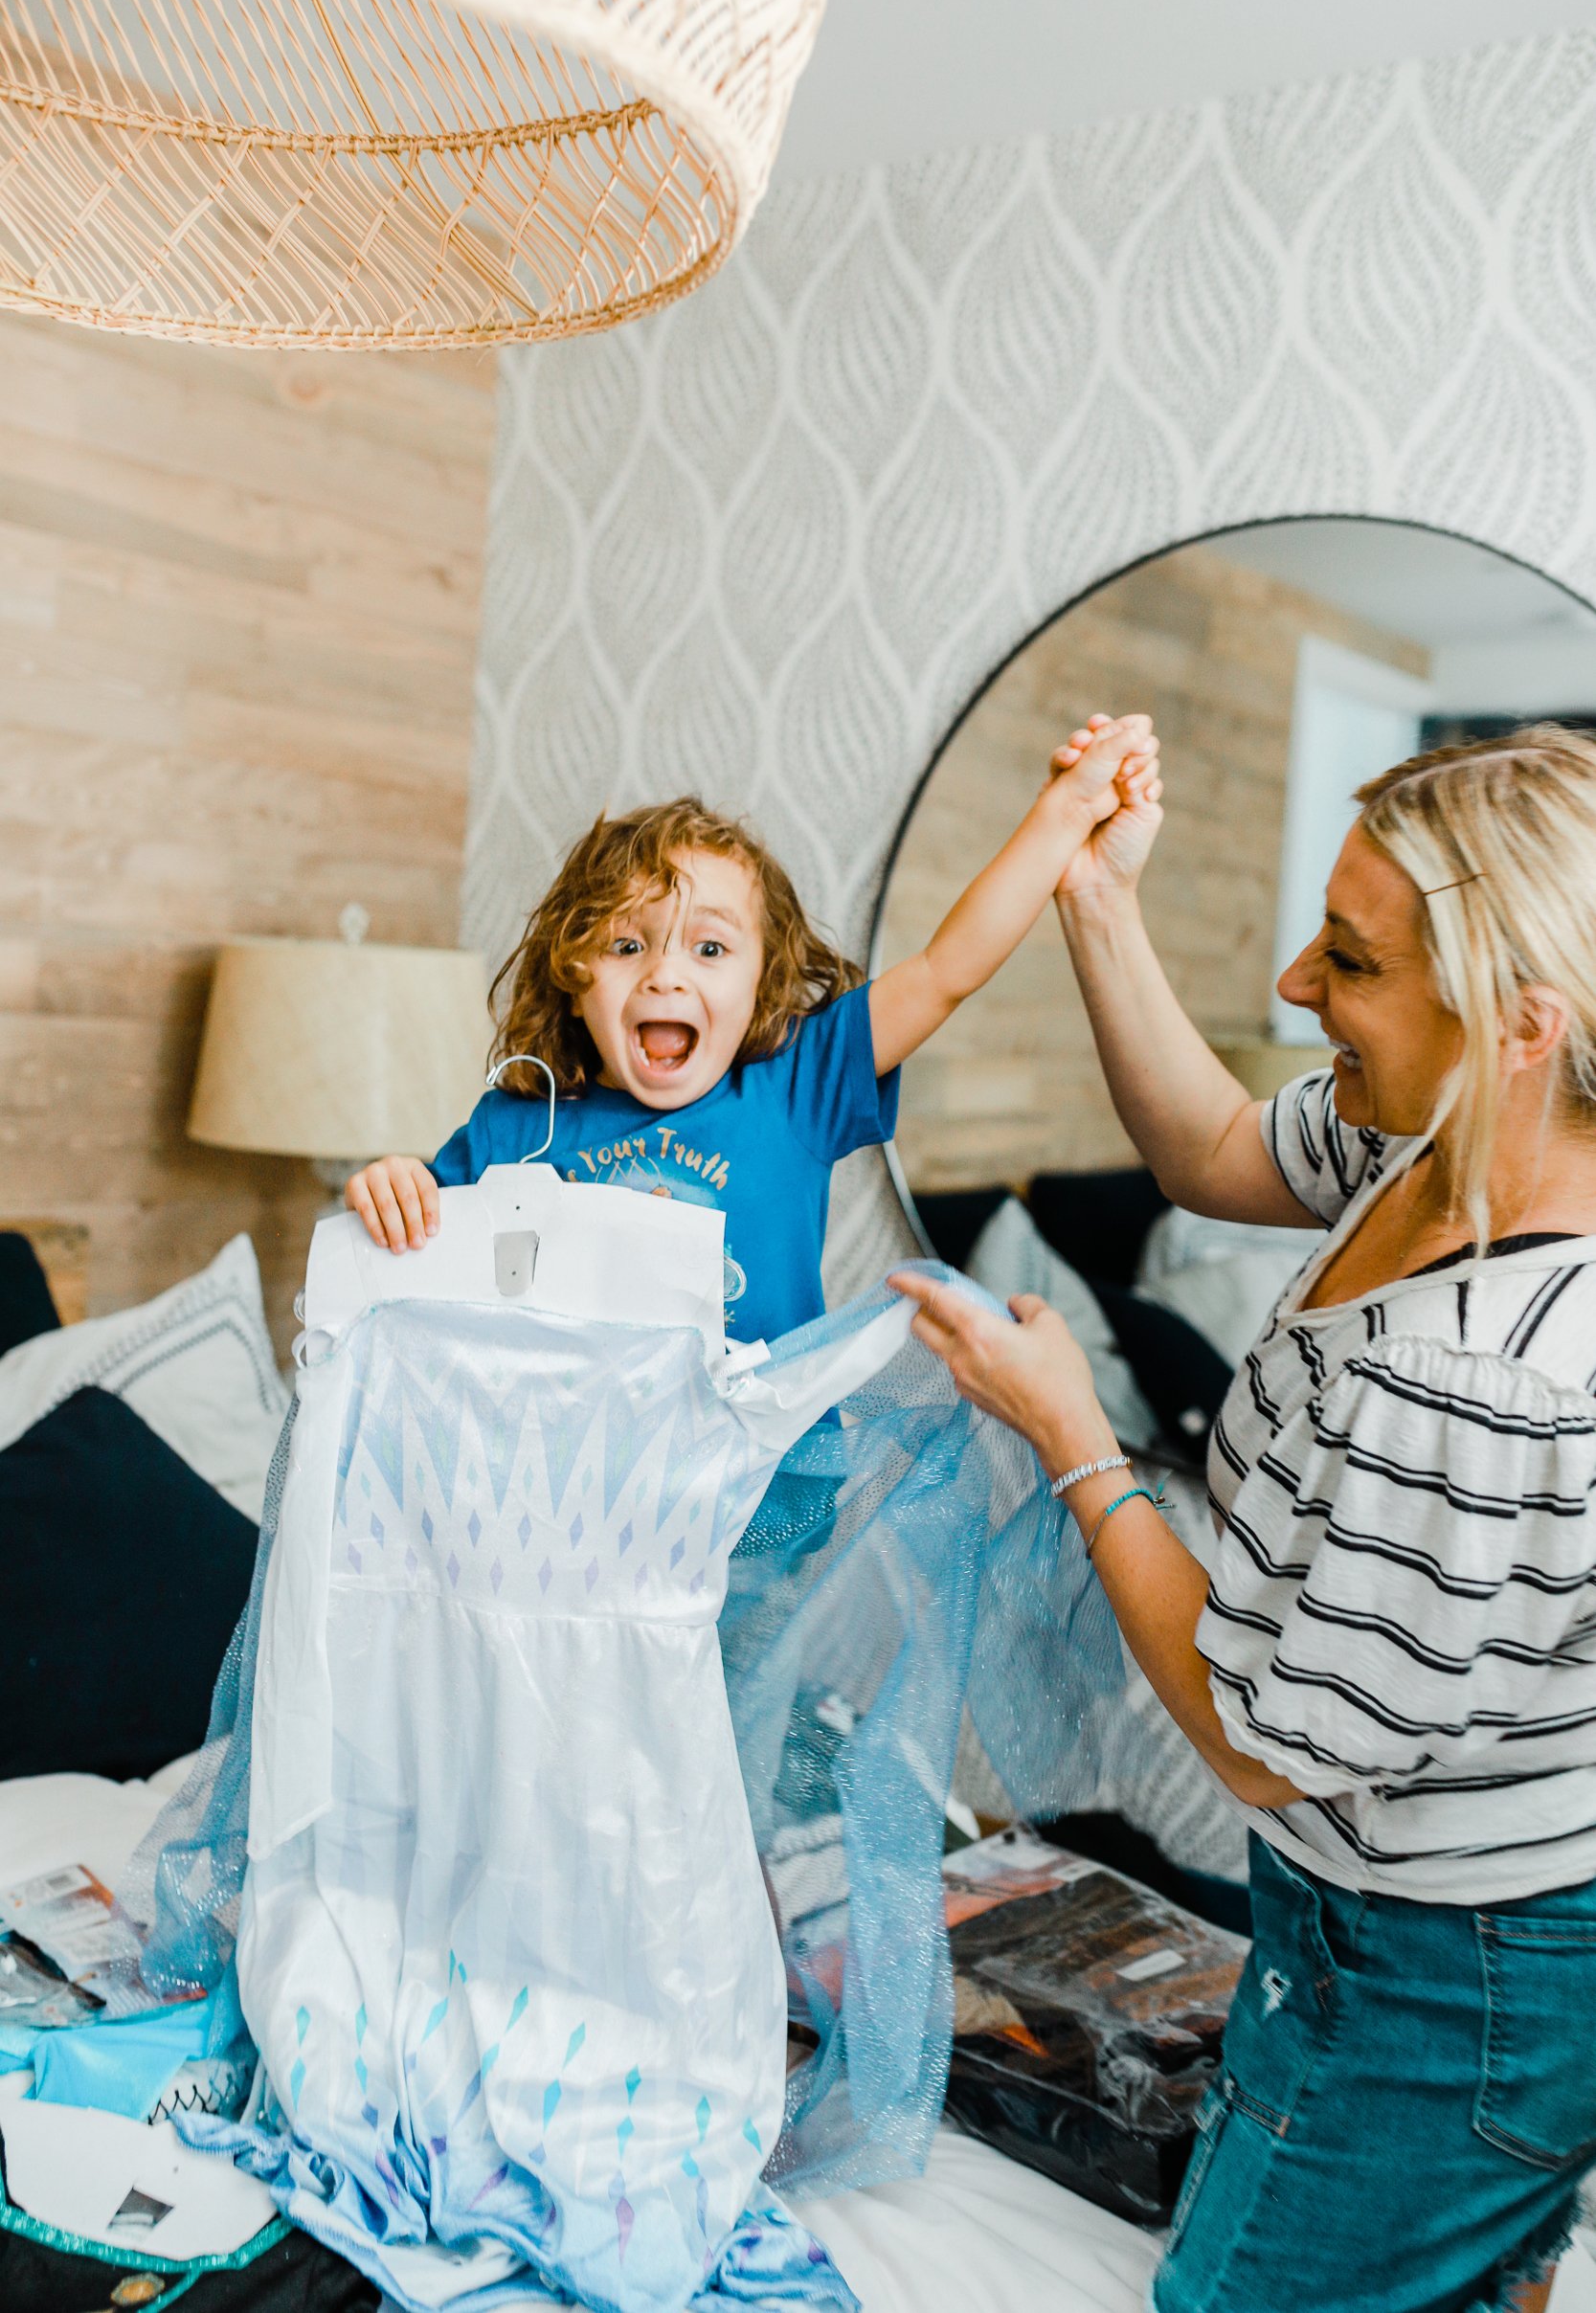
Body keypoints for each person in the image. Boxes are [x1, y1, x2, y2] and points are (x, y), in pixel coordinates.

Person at [894, 720, 1596, 2313]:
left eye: (1346, 959)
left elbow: (1261, 1746)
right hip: (1443, 1920)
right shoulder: (1432, 1143)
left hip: (1450, 1972)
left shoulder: (1483, 1388)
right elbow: (1211, 1147)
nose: (1293, 983)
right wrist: (1095, 901)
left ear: (1518, 1025)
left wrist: (1076, 1439)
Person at [344, 715, 1154, 1343]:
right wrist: (390, 1186)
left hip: (767, 1495)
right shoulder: (514, 1125)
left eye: (709, 947)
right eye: (628, 944)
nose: (667, 973)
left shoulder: (796, 1089)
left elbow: (947, 970)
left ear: (761, 981)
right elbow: (414, 1266)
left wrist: (1062, 814)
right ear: (573, 973)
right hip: (583, 1502)